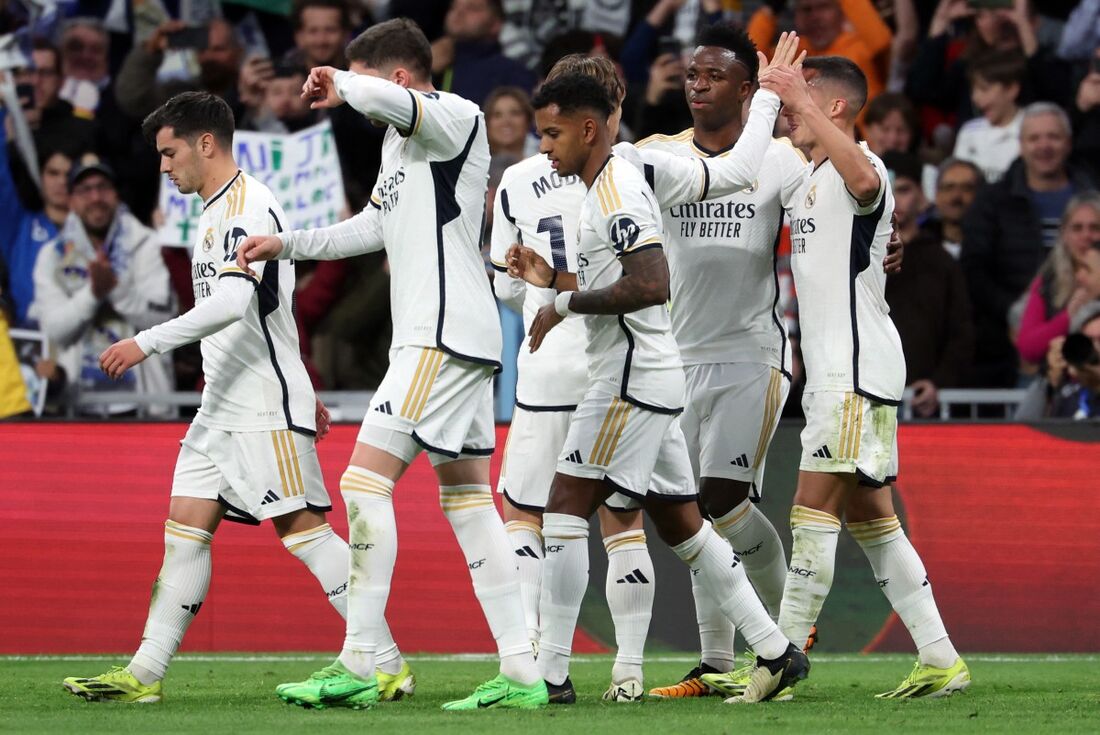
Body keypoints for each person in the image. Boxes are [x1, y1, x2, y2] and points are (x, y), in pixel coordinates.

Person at [61, 91, 415, 704]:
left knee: (302, 531)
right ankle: (142, 676)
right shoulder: (212, 210)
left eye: (170, 153)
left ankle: (385, 663)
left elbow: (233, 303)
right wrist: (300, 374)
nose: (164, 167)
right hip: (220, 406)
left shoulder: (250, 206)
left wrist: (145, 342)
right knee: (183, 532)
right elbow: (273, 312)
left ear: (206, 143)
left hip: (258, 405)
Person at [236, 18, 547, 711]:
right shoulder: (398, 146)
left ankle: (362, 659)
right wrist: (283, 243)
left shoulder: (454, 117)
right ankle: (524, 671)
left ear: (399, 77)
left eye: (368, 81)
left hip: (440, 337)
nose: (359, 96)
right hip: (447, 340)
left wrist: (338, 81)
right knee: (469, 504)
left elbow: (393, 103)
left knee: (361, 482)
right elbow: (371, 226)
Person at [507, 33, 812, 706]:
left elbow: (650, 283)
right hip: (659, 370)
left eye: (553, 135)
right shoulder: (639, 166)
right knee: (683, 524)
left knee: (562, 509)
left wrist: (560, 299)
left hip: (628, 375)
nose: (545, 149)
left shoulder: (616, 184)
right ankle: (775, 649)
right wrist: (555, 278)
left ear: (588, 127)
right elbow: (733, 173)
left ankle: (547, 676)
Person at [761, 55, 970, 698]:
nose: (789, 112)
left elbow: (864, 179)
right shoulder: (809, 176)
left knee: (811, 511)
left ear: (837, 109)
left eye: (802, 100)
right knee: (873, 518)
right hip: (842, 366)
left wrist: (795, 91)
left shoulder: (864, 164)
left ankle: (780, 659)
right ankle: (940, 659)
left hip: (850, 369)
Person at [489, 56, 656, 703]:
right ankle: (630, 669)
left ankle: (533, 655)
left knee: (528, 510)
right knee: (622, 519)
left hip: (548, 359)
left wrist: (542, 304)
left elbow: (506, 277)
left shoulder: (520, 178)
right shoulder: (639, 169)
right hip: (623, 363)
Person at [961, 102, 1095, 387]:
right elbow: (975, 268)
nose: (1044, 146)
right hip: (1007, 345)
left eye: (1053, 137)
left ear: (1069, 143)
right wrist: (1014, 314)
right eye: (1034, 138)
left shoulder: (1092, 197)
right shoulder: (992, 201)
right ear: (1021, 145)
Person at [29, 161, 175, 417]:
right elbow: (54, 331)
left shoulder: (146, 244)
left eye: (103, 187)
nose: (96, 197)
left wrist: (116, 291)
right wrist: (93, 294)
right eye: (85, 190)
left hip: (145, 406)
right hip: (77, 405)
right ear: (72, 200)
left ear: (116, 195)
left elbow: (165, 319)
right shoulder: (52, 256)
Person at [883, 152, 974, 417]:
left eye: (903, 190)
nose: (894, 198)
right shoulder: (856, 256)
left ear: (922, 196)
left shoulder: (941, 261)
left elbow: (962, 331)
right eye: (887, 190)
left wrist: (940, 382)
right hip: (866, 394)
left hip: (924, 402)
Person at [0, 103, 75, 327]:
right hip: (26, 341)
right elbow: (2, 179)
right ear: (40, 178)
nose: (62, 181)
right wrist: (5, 109)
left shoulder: (95, 230)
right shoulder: (19, 225)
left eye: (68, 174)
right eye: (53, 173)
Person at [748, 0, 893, 102]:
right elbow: (752, 59)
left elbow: (883, 45)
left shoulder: (861, 46)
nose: (815, 17)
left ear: (841, 10)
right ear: (796, 16)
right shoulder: (794, 50)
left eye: (823, 6)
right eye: (807, 9)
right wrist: (770, 10)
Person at [1016, 194, 1100, 365]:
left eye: (1095, 228)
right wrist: (1068, 316)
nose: (1086, 236)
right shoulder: (1048, 281)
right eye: (1077, 228)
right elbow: (1028, 348)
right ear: (1064, 235)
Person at [431, 0, 536, 107]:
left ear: (496, 24)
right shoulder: (433, 64)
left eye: (473, 8)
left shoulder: (513, 74)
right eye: (453, 7)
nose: (459, 12)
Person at [952, 50, 1026, 183]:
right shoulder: (969, 131)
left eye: (984, 89)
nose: (975, 98)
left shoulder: (1030, 130)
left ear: (1011, 90)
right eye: (973, 90)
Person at [929, 157, 981, 260]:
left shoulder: (995, 249)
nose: (956, 196)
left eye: (966, 188)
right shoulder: (921, 245)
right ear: (937, 195)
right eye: (949, 187)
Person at [484, 86, 535, 159]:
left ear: (528, 119)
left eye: (515, 113)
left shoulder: (546, 159)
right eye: (497, 115)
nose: (506, 122)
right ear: (487, 123)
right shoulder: (472, 164)